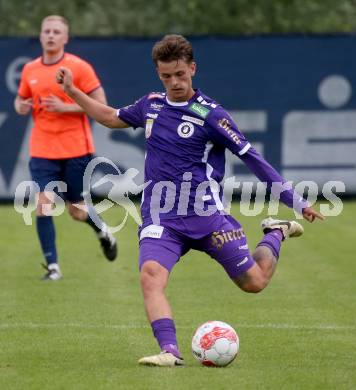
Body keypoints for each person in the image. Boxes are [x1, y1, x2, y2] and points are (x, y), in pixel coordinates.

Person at [56, 34, 324, 366]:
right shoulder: (151, 104)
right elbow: (111, 117)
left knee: (254, 283)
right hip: (161, 216)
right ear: (158, 74)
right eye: (167, 76)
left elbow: (252, 157)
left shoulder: (211, 115)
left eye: (180, 74)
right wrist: (73, 92)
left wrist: (294, 200)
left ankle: (276, 232)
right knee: (150, 276)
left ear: (192, 69)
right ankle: (170, 351)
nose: (174, 82)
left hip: (208, 217)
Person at [14, 15, 117, 281]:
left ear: (65, 37)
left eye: (56, 31)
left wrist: (66, 106)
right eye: (46, 31)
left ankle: (103, 230)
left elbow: (101, 103)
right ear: (40, 36)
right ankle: (53, 268)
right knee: (43, 205)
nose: (50, 35)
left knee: (77, 210)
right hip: (42, 149)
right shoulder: (30, 70)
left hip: (75, 149)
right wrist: (20, 106)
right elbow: (20, 99)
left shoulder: (78, 67)